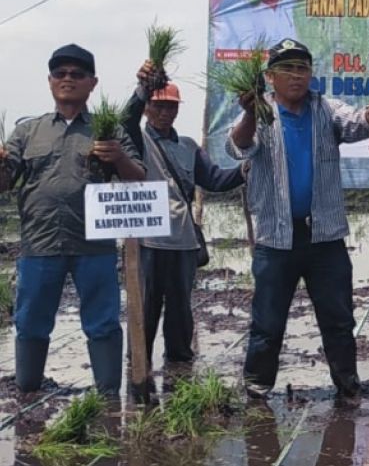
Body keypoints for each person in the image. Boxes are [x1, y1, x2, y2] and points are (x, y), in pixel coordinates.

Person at [227, 38, 369, 399]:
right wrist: (248, 112)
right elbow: (238, 146)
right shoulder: (261, 114)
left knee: (338, 320)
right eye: (286, 69)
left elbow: (362, 124)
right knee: (267, 323)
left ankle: (347, 385)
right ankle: (257, 388)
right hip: (276, 239)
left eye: (302, 68)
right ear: (270, 77)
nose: (295, 76)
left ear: (311, 74)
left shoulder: (326, 109)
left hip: (324, 238)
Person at [0, 44, 146, 396]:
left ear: (92, 83)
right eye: (60, 73)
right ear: (50, 81)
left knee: (103, 322)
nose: (68, 79)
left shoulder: (107, 129)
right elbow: (5, 183)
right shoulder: (26, 132)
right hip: (39, 244)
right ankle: (27, 390)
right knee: (31, 321)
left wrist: (119, 157)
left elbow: (139, 180)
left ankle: (109, 396)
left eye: (77, 74)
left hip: (94, 246)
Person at [123, 67, 245, 375]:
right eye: (158, 105)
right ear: (148, 108)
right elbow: (126, 120)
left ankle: (180, 372)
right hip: (147, 240)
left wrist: (244, 171)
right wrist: (142, 88)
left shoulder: (189, 146)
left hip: (183, 241)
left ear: (178, 109)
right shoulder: (136, 141)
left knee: (180, 310)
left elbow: (215, 179)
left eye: (171, 106)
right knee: (145, 309)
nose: (165, 112)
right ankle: (139, 369)